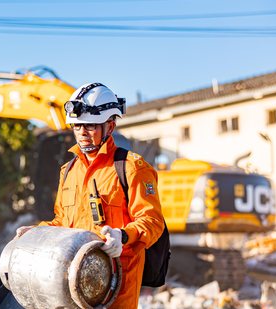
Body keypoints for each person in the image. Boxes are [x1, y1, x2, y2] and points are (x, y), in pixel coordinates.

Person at [16, 83, 165, 309]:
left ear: (110, 126)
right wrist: (37, 232)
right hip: (74, 282)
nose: (83, 133)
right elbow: (62, 222)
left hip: (118, 284)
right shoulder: (68, 171)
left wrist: (122, 236)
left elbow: (153, 222)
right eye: (77, 127)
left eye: (90, 126)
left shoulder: (131, 167)